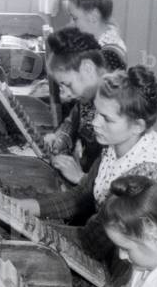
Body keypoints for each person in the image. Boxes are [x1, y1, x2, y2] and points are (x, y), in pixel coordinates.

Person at [20, 67, 157, 262]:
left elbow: (93, 242)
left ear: (138, 125)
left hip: (130, 267)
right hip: (109, 251)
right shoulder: (116, 144)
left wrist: (29, 231)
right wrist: (30, 207)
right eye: (96, 113)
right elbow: (82, 197)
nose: (95, 123)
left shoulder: (149, 174)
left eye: (106, 118)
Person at [42, 28, 122, 183]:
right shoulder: (89, 96)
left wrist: (81, 178)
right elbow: (72, 120)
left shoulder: (118, 111)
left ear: (88, 68)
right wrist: (60, 138)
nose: (65, 95)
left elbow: (117, 186)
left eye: (68, 85)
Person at [65, 0, 127, 69]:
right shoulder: (96, 38)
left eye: (74, 18)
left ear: (93, 17)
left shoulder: (109, 54)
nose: (71, 24)